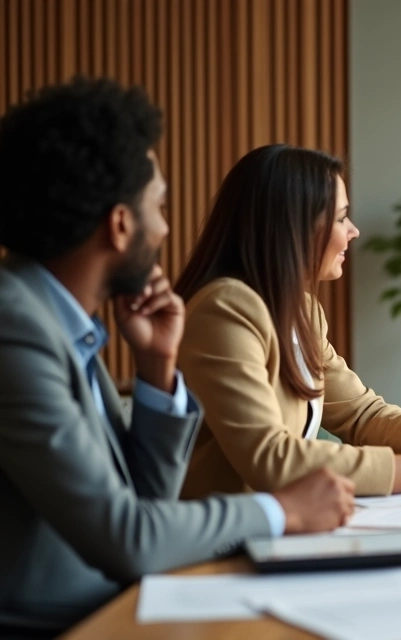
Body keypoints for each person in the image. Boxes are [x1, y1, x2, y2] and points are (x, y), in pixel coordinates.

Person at [0, 79, 353, 635]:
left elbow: (144, 500)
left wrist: (156, 371)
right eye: (159, 207)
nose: (166, 227)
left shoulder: (58, 321)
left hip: (119, 603)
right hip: (60, 624)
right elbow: (127, 537)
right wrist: (283, 509)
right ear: (121, 225)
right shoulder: (15, 329)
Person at [175, 145, 401, 498]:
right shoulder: (224, 310)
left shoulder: (302, 310)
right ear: (293, 226)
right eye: (341, 218)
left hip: (292, 520)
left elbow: (361, 414)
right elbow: (272, 458)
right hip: (227, 527)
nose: (353, 231)